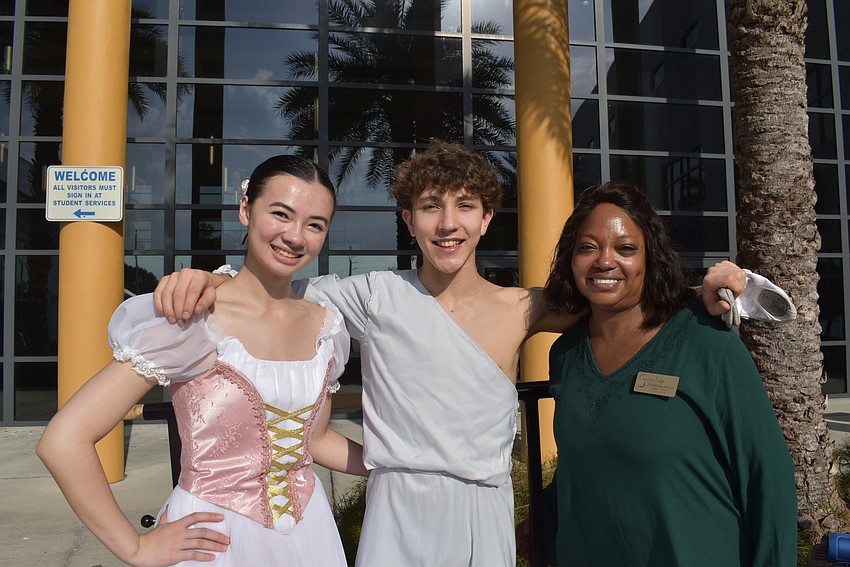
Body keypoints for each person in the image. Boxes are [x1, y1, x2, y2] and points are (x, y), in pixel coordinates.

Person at [154, 142, 752, 566]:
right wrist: (210, 278)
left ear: (487, 218)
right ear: (408, 219)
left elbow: (619, 290)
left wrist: (702, 285)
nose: (448, 223)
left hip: (485, 508)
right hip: (398, 508)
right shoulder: (371, 295)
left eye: (466, 205)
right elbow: (273, 282)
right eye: (430, 206)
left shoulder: (527, 306)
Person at [37, 155, 368, 567]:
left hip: (310, 533)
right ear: (246, 210)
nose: (295, 236)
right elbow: (64, 440)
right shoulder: (190, 320)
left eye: (315, 224)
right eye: (281, 214)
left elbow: (313, 441)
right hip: (215, 539)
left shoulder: (326, 327)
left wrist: (394, 467)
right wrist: (135, 547)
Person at [538, 180, 797, 565]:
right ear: (570, 260)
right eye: (587, 247)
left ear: (650, 257)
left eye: (625, 248)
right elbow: (588, 461)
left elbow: (766, 476)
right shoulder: (566, 355)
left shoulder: (706, 342)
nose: (604, 261)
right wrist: (539, 522)